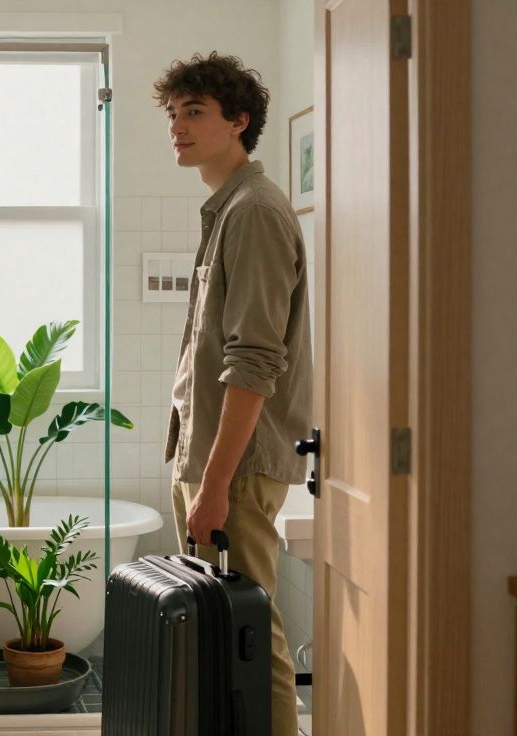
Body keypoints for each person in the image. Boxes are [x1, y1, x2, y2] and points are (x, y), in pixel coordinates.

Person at [156, 51, 311, 736]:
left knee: (250, 632)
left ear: (239, 121)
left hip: (237, 469)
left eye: (195, 112)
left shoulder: (254, 212)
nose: (177, 127)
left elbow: (254, 363)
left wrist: (216, 484)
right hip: (214, 460)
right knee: (224, 633)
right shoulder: (227, 209)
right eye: (173, 113)